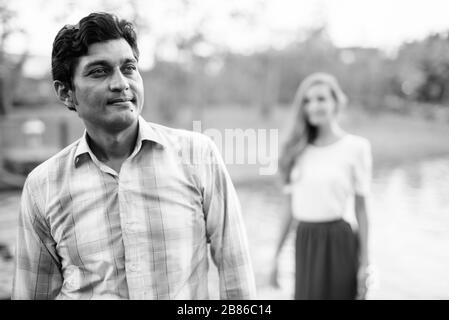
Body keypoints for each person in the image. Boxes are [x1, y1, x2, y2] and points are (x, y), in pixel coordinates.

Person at [12, 12, 256, 300]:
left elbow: (236, 272)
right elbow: (33, 292)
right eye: (99, 71)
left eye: (128, 68)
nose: (121, 83)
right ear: (66, 93)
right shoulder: (43, 185)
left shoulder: (197, 155)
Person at [269, 73, 372, 300]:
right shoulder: (294, 151)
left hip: (340, 241)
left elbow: (362, 210)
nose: (313, 106)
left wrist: (365, 264)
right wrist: (275, 257)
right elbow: (288, 210)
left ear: (336, 102)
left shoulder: (357, 148)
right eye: (307, 101)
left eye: (321, 99)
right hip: (305, 241)